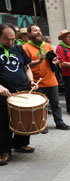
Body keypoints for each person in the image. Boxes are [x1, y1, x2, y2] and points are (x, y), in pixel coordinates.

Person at [0, 23, 39, 166]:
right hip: (4, 94)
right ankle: (4, 150)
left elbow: (26, 67)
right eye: (6, 39)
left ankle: (20, 144)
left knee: (24, 118)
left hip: (22, 90)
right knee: (3, 123)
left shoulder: (18, 48)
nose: (10, 42)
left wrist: (31, 81)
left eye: (12, 39)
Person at [23, 24, 70, 133]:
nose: (38, 32)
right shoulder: (25, 47)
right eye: (35, 31)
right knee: (40, 106)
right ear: (30, 33)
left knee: (56, 104)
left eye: (39, 30)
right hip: (36, 82)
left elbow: (53, 59)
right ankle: (42, 125)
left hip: (51, 80)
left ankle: (59, 123)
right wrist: (38, 61)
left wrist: (55, 61)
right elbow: (26, 65)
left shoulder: (47, 46)